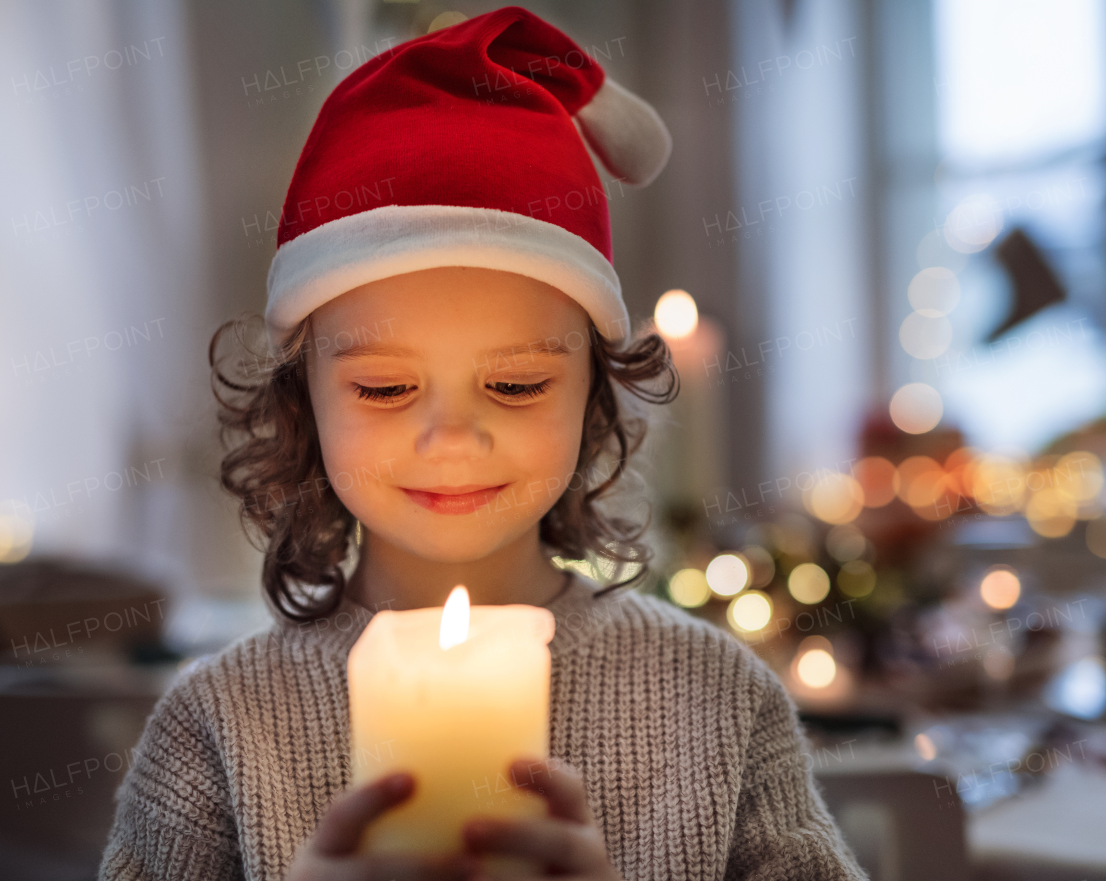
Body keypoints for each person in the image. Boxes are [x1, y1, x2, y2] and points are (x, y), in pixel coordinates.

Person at [98, 7, 868, 881]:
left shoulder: (716, 698)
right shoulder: (220, 724)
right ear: (303, 402)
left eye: (517, 384)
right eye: (385, 387)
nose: (454, 435)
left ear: (593, 395)